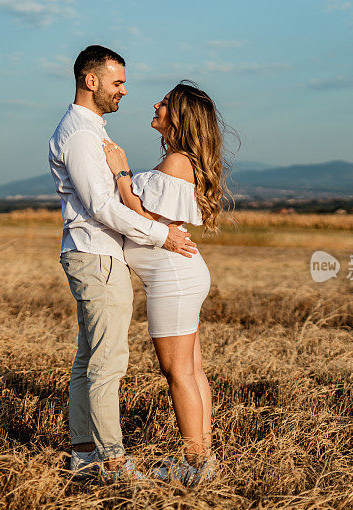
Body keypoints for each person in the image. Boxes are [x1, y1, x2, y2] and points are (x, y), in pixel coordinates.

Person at [49, 45, 198, 484]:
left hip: (96, 253)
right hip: (96, 253)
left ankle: (84, 455)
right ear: (90, 81)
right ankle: (112, 461)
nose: (125, 91)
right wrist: (161, 235)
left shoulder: (91, 131)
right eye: (117, 82)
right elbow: (100, 206)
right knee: (106, 362)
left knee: (89, 360)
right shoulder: (80, 134)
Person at [101, 80, 232, 486]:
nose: (155, 104)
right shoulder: (179, 159)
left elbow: (145, 217)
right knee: (190, 370)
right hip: (180, 275)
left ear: (181, 116)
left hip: (173, 279)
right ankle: (203, 459)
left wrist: (121, 173)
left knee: (178, 373)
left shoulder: (177, 162)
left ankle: (195, 464)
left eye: (166, 102)